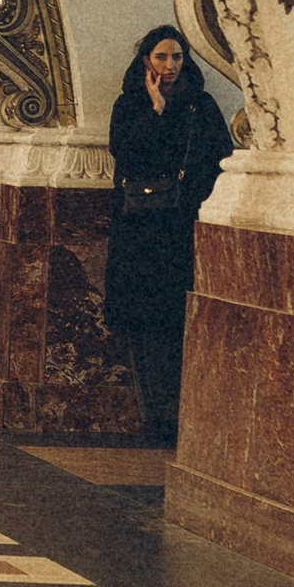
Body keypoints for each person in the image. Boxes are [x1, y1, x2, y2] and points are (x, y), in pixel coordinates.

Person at [104, 23, 233, 446]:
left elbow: (218, 159)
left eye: (177, 56)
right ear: (147, 61)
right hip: (140, 232)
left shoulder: (202, 106)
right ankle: (155, 413)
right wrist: (155, 109)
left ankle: (176, 412)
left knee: (176, 322)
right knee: (145, 324)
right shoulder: (130, 105)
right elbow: (125, 151)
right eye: (162, 57)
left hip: (180, 228)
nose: (170, 65)